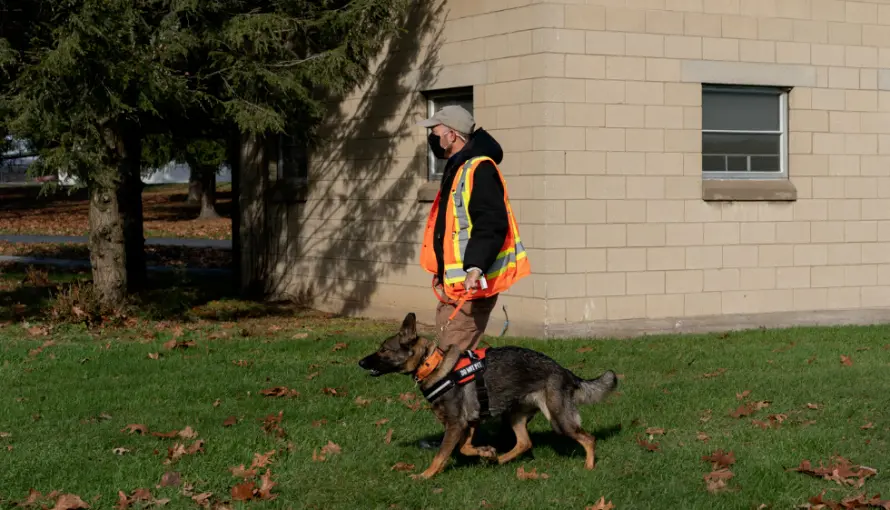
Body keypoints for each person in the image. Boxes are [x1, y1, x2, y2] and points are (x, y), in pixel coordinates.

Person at [416, 105, 531, 449]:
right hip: (455, 285)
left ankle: (463, 436)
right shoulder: (461, 166)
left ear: (452, 133)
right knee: (452, 357)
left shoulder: (479, 169)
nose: (432, 137)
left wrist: (474, 268)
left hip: (472, 286)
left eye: (435, 130)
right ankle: (469, 429)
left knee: (453, 362)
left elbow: (490, 223)